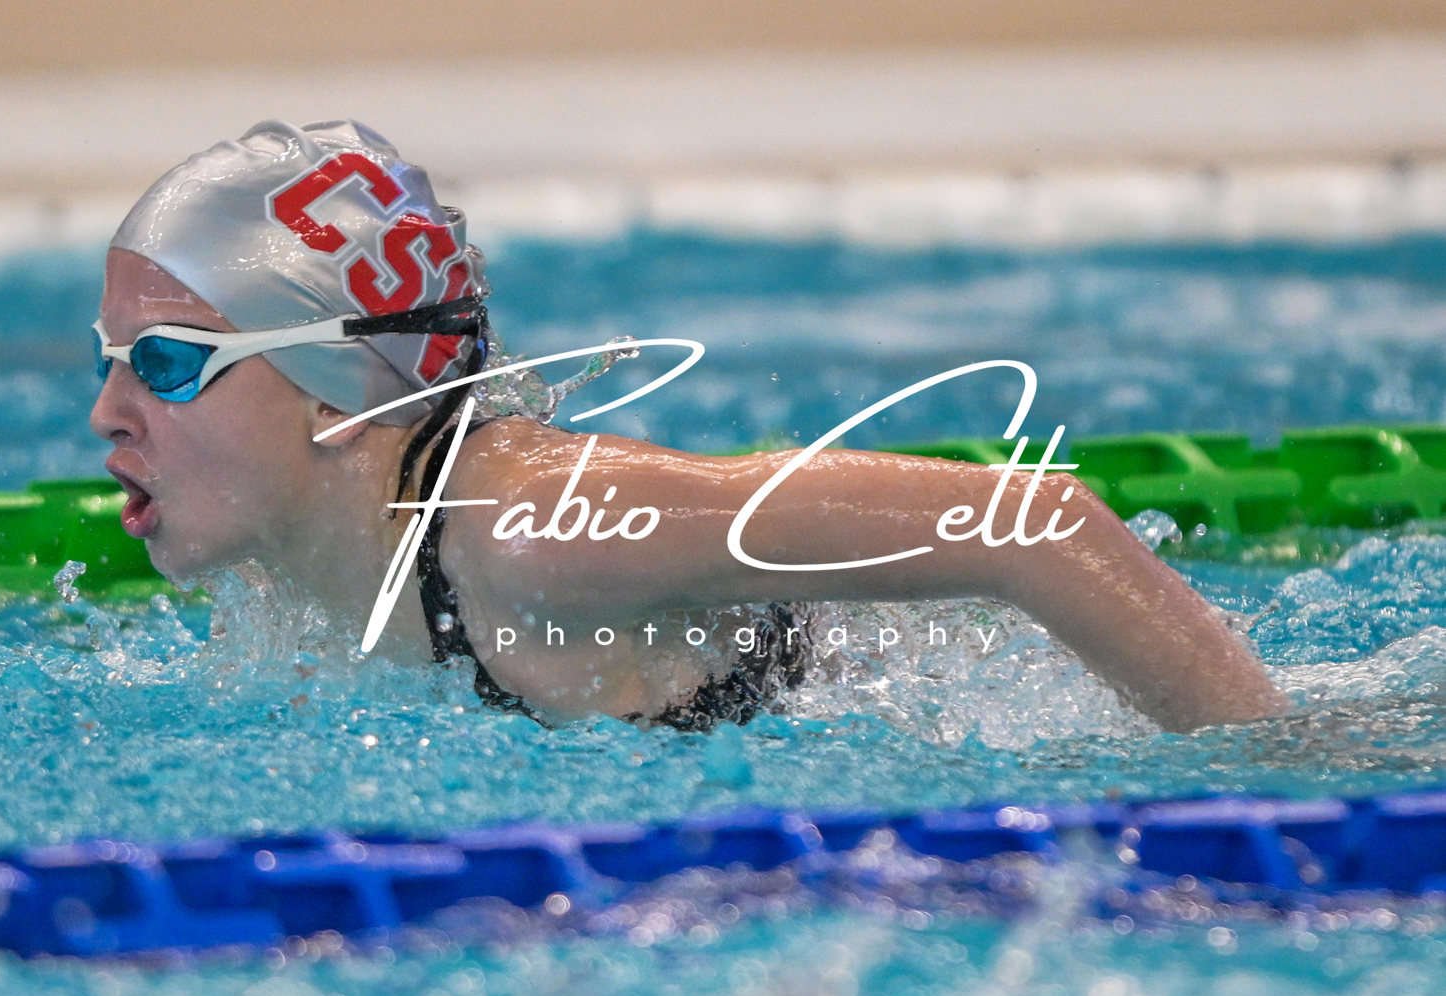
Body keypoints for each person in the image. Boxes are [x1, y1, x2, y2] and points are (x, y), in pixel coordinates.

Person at [90, 119, 1286, 734]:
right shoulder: (296, 560)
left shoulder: (534, 529)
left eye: (166, 364)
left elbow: (1033, 522)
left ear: (339, 394)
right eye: (111, 361)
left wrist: (1268, 773)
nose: (108, 414)